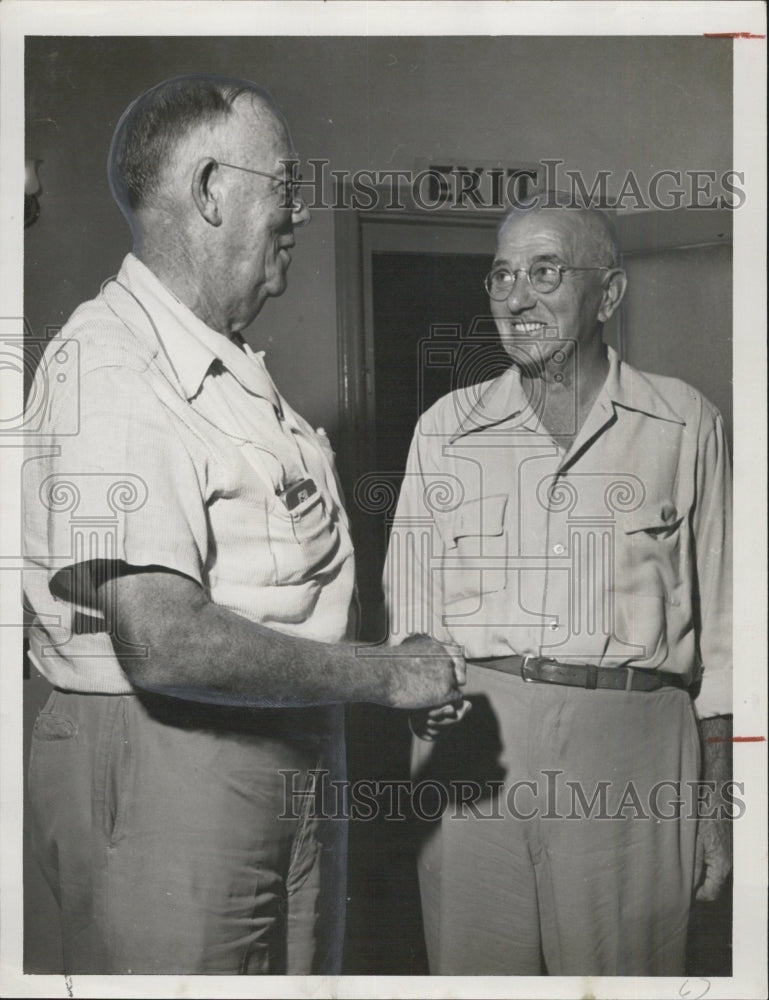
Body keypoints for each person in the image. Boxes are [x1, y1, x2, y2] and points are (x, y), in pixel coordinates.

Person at [23, 74, 463, 976]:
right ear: (210, 190)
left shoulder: (226, 369)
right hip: (173, 762)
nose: (299, 213)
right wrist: (383, 674)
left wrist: (378, 672)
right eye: (285, 186)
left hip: (281, 749)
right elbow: (163, 642)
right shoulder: (113, 367)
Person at [383, 203, 732, 976]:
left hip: (633, 750)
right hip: (474, 743)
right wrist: (417, 680)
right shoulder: (445, 428)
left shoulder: (684, 424)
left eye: (545, 273)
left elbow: (730, 638)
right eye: (501, 275)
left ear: (608, 295)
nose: (517, 298)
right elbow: (408, 606)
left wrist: (717, 805)